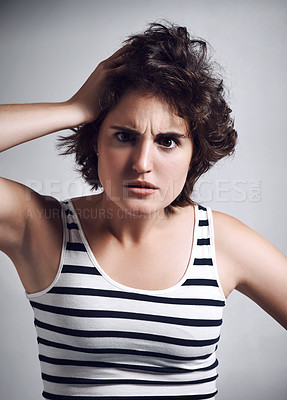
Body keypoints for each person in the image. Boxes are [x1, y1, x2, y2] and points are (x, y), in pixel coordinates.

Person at [0, 22, 286, 400]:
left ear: (193, 155)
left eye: (168, 141)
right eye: (124, 136)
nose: (142, 163)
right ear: (95, 141)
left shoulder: (222, 243)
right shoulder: (39, 228)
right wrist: (74, 108)